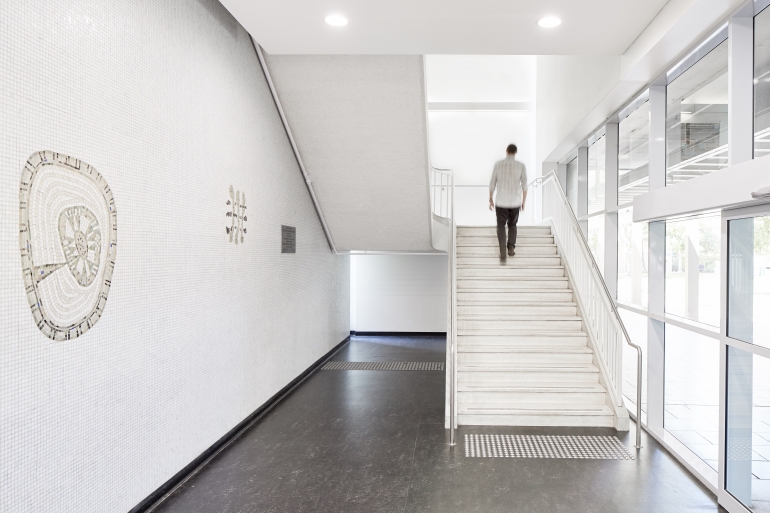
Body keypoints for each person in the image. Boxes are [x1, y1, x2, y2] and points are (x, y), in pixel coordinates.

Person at [489, 144, 528, 262]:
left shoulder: (498, 164)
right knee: (512, 225)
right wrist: (523, 202)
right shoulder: (521, 166)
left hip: (501, 202)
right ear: (516, 152)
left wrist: (490, 199)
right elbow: (525, 186)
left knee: (501, 225)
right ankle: (511, 246)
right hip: (515, 202)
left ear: (506, 151)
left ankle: (502, 250)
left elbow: (492, 184)